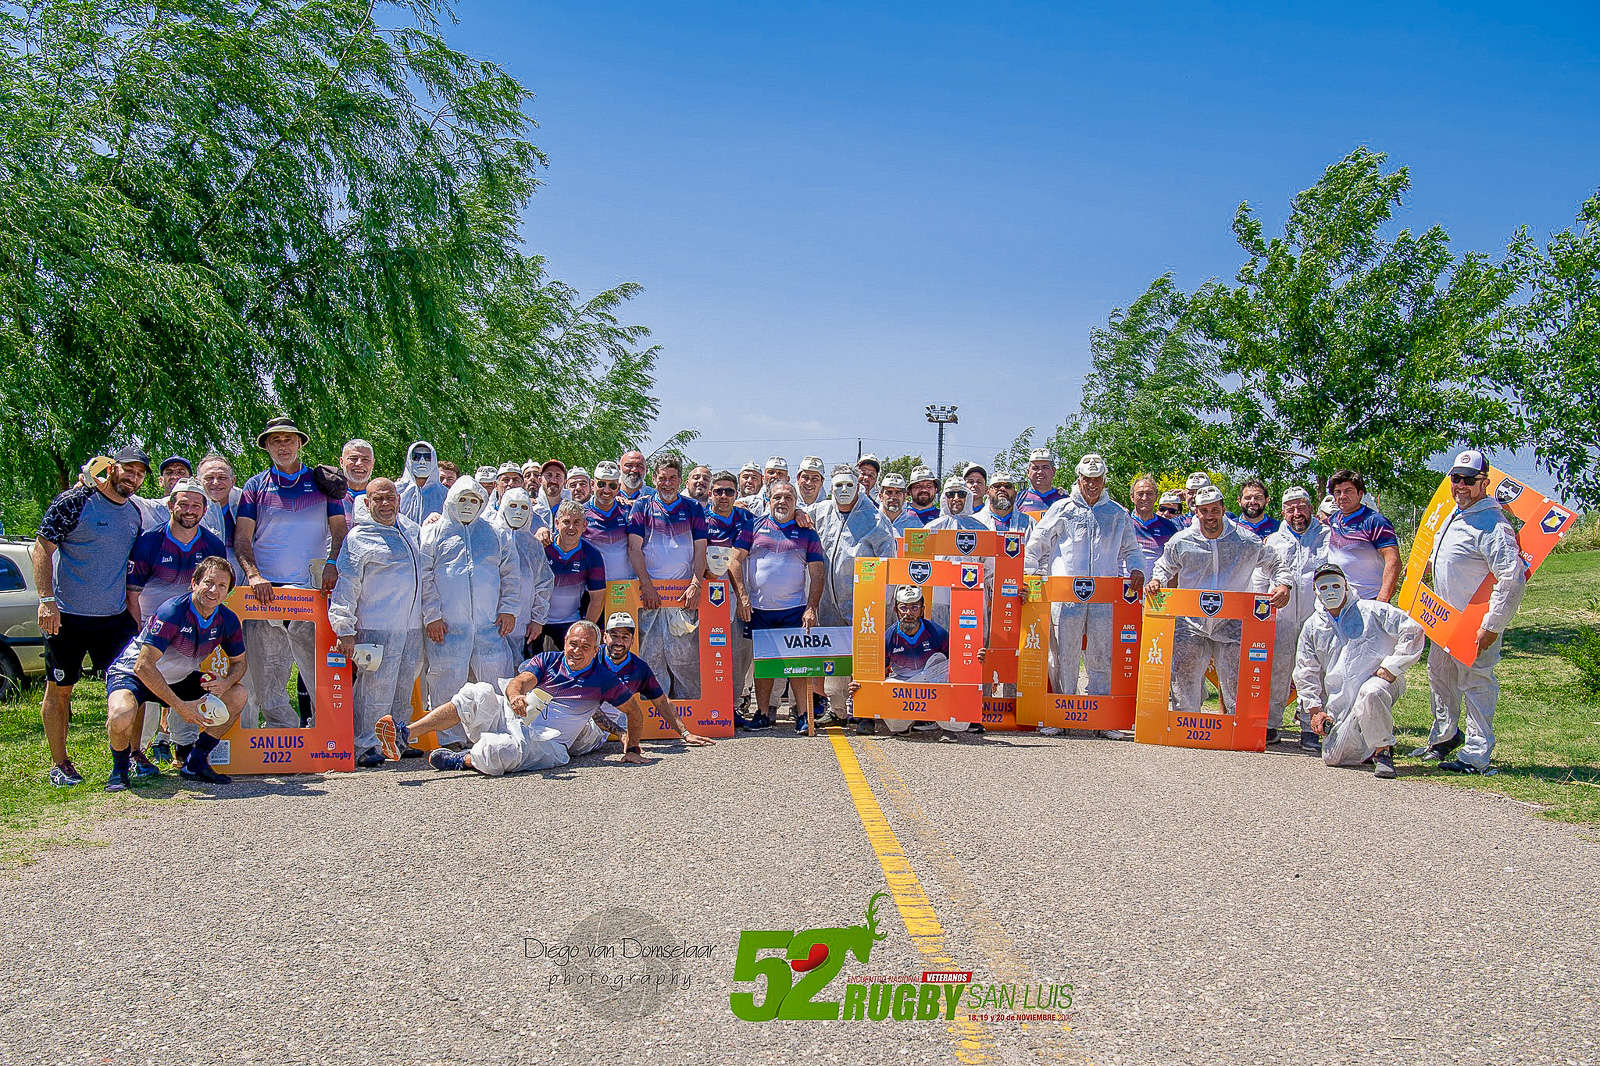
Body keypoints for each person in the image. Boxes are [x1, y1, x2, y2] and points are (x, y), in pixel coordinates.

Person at [32, 446, 149, 787]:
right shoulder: (75, 501)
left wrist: (133, 612)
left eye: (140, 473)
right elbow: (42, 548)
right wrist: (46, 600)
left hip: (113, 618)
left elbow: (127, 567)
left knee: (132, 687)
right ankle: (60, 763)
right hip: (67, 615)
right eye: (129, 469)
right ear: (112, 468)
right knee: (60, 690)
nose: (134, 477)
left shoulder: (134, 514)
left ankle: (130, 753)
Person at [389, 621, 647, 775]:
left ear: (596, 649)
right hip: (516, 716)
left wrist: (632, 748)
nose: (577, 651)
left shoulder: (603, 679)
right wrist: (514, 697)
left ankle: (463, 759)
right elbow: (520, 682)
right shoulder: (548, 660)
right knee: (475, 693)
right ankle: (405, 734)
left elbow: (635, 711)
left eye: (585, 647)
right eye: (573, 644)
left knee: (501, 751)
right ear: (565, 642)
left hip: (549, 743)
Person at [1414, 449, 1527, 774]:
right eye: (1456, 478)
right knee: (1440, 678)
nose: (1460, 485)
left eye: (1468, 480)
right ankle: (1445, 736)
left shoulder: (1492, 523)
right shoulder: (1455, 514)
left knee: (1476, 683)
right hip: (1445, 619)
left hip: (1475, 623)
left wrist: (1492, 624)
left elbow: (1512, 576)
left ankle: (1476, 756)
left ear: (1484, 482)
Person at [234, 417, 348, 729]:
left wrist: (332, 562)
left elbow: (340, 530)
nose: (282, 446)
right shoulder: (254, 486)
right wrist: (255, 575)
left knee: (317, 669)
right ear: (266, 446)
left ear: (299, 443)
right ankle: (281, 732)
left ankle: (328, 735)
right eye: (275, 441)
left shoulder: (322, 481)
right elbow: (242, 538)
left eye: (288, 440)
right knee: (267, 668)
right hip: (265, 590)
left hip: (311, 589)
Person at [1025, 454, 1147, 736]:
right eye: (1087, 479)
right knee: (1063, 654)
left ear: (1104, 480)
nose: (1092, 484)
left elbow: (1132, 549)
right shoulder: (1061, 508)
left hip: (1105, 595)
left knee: (1101, 654)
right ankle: (1061, 714)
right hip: (1066, 593)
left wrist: (1138, 568)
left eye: (1097, 480)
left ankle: (1101, 717)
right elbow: (1036, 545)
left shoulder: (1117, 513)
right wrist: (1031, 576)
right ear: (1078, 478)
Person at [1146, 486, 1293, 719]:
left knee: (1235, 680)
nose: (1210, 516)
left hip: (1232, 622)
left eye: (1215, 509)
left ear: (1224, 509)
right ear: (1196, 512)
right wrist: (1156, 580)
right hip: (1191, 622)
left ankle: (1235, 729)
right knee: (1184, 676)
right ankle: (1186, 725)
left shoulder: (1245, 541)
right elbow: (1164, 566)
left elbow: (1275, 563)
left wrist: (1284, 584)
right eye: (1204, 510)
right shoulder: (1182, 541)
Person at [103, 557, 248, 789]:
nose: (214, 590)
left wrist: (226, 681)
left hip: (176, 678)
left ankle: (196, 762)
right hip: (134, 673)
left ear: (228, 592)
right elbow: (143, 666)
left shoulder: (227, 619)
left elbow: (239, 663)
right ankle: (120, 770)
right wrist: (181, 707)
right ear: (194, 583)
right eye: (208, 582)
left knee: (238, 694)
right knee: (121, 715)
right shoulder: (173, 611)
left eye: (222, 586)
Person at [326, 478, 426, 767]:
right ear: (366, 503)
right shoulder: (359, 538)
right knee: (374, 687)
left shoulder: (411, 530)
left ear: (398, 499)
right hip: (376, 625)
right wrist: (344, 629)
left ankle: (397, 738)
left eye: (389, 498)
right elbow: (347, 585)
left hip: (411, 626)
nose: (385, 504)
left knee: (404, 684)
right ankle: (364, 743)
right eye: (377, 499)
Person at [1294, 563, 1426, 779]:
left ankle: (1383, 751)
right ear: (1315, 591)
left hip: (1382, 682)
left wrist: (1392, 666)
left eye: (1335, 585)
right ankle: (1368, 743)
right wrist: (1314, 709)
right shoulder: (1313, 626)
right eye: (1323, 587)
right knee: (1334, 758)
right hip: (1342, 697)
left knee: (1370, 693)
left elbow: (1412, 630)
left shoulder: (1372, 610)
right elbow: (1305, 669)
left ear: (1346, 586)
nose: (1330, 592)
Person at [419, 477, 518, 747]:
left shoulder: (495, 533)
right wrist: (432, 615)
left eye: (474, 500)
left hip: (490, 626)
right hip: (448, 628)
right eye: (462, 499)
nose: (468, 505)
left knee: (494, 679)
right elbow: (424, 575)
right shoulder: (434, 533)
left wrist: (509, 609)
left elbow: (510, 574)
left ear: (483, 503)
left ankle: (493, 735)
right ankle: (449, 740)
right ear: (451, 500)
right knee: (446, 681)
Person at [810, 465, 898, 732]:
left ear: (859, 487)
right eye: (838, 486)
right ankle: (837, 710)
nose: (844, 491)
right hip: (829, 602)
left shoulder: (875, 519)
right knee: (835, 662)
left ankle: (866, 712)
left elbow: (889, 562)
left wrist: (881, 602)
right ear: (831, 487)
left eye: (849, 485)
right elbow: (795, 516)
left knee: (866, 660)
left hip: (863, 603)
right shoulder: (821, 513)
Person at [739, 482, 826, 732]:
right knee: (763, 664)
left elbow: (818, 573)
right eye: (777, 496)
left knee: (797, 665)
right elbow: (735, 562)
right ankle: (763, 713)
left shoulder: (807, 531)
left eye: (788, 497)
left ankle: (803, 714)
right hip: (759, 609)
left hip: (794, 609)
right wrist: (743, 596)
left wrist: (812, 607)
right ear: (768, 498)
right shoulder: (753, 526)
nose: (782, 501)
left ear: (796, 501)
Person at [626, 455, 708, 699]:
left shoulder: (693, 508)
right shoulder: (642, 506)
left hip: (683, 595)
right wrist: (647, 586)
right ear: (654, 478)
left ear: (680, 479)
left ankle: (692, 710)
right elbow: (634, 548)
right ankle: (654, 714)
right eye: (662, 478)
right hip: (650, 596)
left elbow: (701, 548)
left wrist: (696, 583)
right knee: (650, 657)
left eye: (673, 478)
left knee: (685, 657)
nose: (667, 483)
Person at [848, 585, 973, 741]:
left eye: (914, 608)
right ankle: (906, 723)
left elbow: (957, 662)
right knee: (895, 720)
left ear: (922, 610)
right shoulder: (889, 637)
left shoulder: (937, 632)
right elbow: (875, 671)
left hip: (931, 681)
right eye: (903, 608)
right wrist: (860, 686)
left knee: (950, 682)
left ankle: (948, 727)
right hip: (903, 682)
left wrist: (975, 658)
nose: (908, 613)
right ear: (896, 610)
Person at [1262, 487, 1329, 747]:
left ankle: (1310, 727)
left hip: (1317, 617)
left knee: (1314, 671)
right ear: (1282, 511)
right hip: (1282, 618)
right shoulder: (1273, 541)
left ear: (1311, 508)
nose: (1297, 513)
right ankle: (1270, 724)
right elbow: (1260, 579)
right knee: (1277, 670)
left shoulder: (1327, 537)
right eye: (1290, 508)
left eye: (1301, 507)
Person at [600, 612, 716, 746]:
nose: (619, 642)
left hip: (596, 734)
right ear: (604, 637)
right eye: (614, 636)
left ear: (632, 640)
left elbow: (662, 702)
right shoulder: (592, 658)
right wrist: (621, 733)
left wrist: (686, 734)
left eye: (625, 637)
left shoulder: (639, 669)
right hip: (580, 718)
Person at [704, 471, 755, 715]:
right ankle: (705, 706)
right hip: (704, 594)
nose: (724, 496)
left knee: (737, 653)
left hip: (734, 593)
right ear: (710, 493)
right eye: (718, 491)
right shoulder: (700, 518)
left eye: (729, 491)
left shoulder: (746, 518)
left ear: (737, 494)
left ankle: (733, 707)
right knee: (703, 652)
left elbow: (736, 557)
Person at [490, 487, 554, 660]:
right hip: (490, 622)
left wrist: (537, 620)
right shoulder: (489, 537)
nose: (518, 512)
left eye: (524, 507)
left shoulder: (533, 544)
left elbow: (544, 583)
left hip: (523, 625)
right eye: (513, 506)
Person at [1325, 469, 1401, 602]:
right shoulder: (1334, 519)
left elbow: (1393, 560)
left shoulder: (1375, 521)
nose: (1342, 496)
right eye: (1338, 492)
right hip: (1341, 601)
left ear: (1360, 493)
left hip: (1369, 599)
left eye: (1348, 491)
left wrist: (1383, 597)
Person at [543, 500, 607, 651]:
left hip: (570, 622)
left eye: (577, 522)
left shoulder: (592, 554)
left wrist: (586, 631)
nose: (571, 527)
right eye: (566, 522)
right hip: (538, 621)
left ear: (585, 526)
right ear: (556, 523)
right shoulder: (543, 547)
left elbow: (597, 599)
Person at [196, 452, 245, 583]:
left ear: (233, 480)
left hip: (241, 589)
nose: (216, 482)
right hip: (203, 588)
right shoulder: (186, 507)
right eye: (209, 477)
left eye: (222, 477)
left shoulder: (248, 503)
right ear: (198, 481)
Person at [584, 461, 635, 580]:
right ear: (592, 484)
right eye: (601, 484)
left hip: (624, 588)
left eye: (612, 486)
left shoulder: (629, 511)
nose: (606, 490)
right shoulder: (581, 513)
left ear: (618, 486)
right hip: (592, 588)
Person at [1129, 474, 1180, 563]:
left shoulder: (1168, 527)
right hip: (1125, 576)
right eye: (1140, 494)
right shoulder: (1122, 523)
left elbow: (1176, 560)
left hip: (1157, 576)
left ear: (1156, 496)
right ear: (1132, 497)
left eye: (1149, 494)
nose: (1144, 498)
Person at [399, 441, 448, 524]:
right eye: (416, 457)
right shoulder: (397, 491)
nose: (422, 462)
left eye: (427, 458)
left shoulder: (445, 494)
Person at [976, 471, 1034, 536]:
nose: (1002, 489)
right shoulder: (975, 521)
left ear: (1015, 494)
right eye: (997, 486)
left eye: (1007, 486)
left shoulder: (1029, 523)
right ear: (988, 493)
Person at [1019, 449, 1065, 518]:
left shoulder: (1064, 500)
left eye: (1045, 467)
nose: (1040, 472)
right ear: (1028, 472)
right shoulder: (1017, 500)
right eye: (1035, 468)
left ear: (1054, 471)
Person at [339, 439, 376, 520]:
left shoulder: (382, 497)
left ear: (373, 463)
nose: (359, 464)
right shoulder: (329, 495)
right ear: (341, 462)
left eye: (365, 459)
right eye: (353, 458)